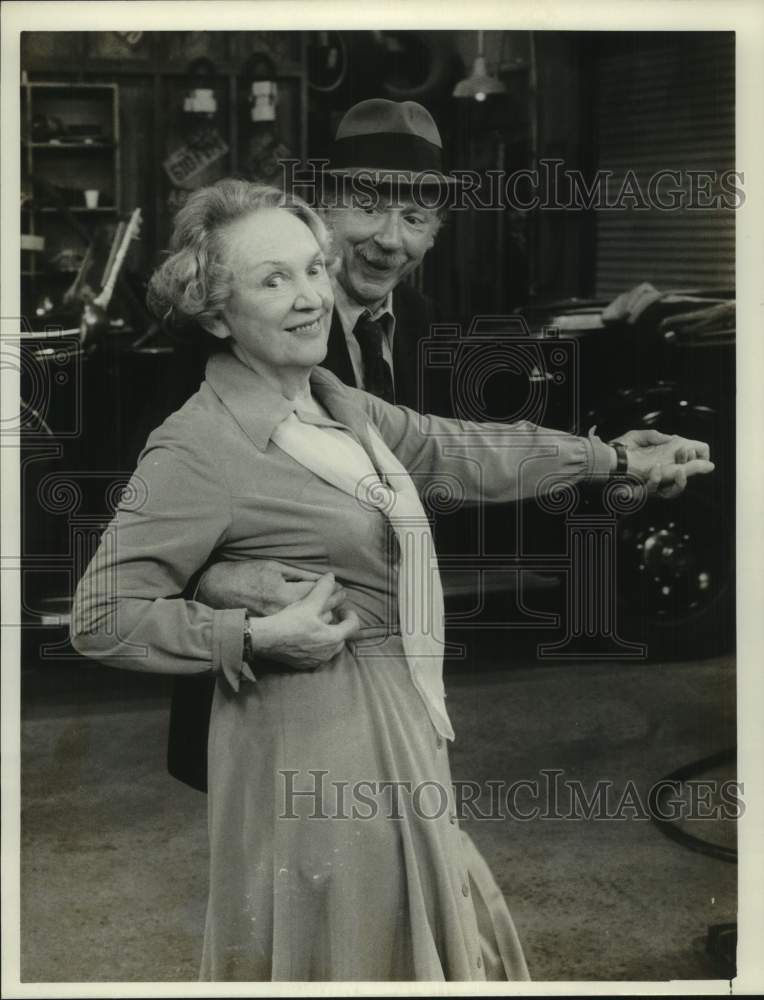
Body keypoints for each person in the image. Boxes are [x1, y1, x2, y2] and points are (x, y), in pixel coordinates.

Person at [70, 179, 713, 982]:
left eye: (312, 270)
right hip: (310, 738)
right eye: (273, 280)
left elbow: (460, 448)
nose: (308, 298)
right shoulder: (196, 445)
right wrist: (251, 632)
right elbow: (100, 614)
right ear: (214, 309)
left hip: (398, 715)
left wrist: (612, 457)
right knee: (356, 948)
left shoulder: (334, 401)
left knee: (406, 937)